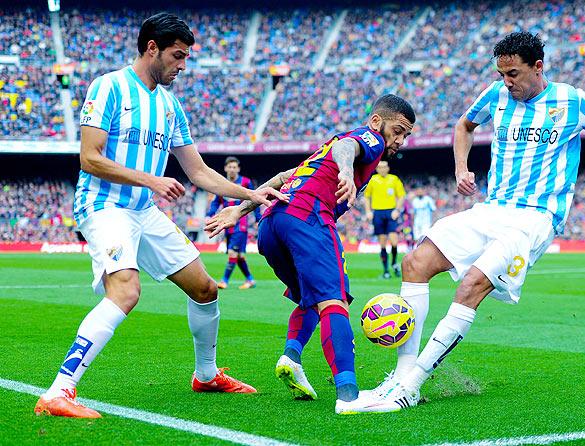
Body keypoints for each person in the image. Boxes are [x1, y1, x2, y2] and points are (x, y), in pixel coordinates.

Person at [367, 31, 585, 409]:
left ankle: (412, 385)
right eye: (501, 73)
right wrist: (461, 167)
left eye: (513, 73)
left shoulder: (572, 101)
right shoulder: (496, 94)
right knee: (415, 263)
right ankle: (398, 378)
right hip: (491, 208)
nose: (506, 82)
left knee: (472, 284)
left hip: (534, 219)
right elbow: (464, 125)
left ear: (538, 66)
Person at [34, 13, 287, 419]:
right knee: (126, 291)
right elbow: (90, 158)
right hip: (103, 205)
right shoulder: (109, 86)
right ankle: (58, 392)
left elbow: (199, 172)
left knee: (205, 288)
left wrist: (250, 194)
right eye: (178, 55)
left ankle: (206, 376)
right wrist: (151, 180)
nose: (183, 64)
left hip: (142, 210)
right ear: (152, 47)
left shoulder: (169, 106)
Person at [205, 94, 416, 414]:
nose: (400, 140)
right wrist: (346, 170)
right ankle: (349, 396)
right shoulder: (367, 139)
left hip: (271, 225)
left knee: (310, 297)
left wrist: (239, 211)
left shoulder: (321, 154)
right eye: (398, 131)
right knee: (335, 300)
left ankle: (291, 357)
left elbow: (279, 179)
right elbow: (348, 149)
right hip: (309, 217)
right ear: (376, 122)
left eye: (406, 135)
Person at [206, 156, 261, 290]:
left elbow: (255, 200)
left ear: (238, 169)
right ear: (225, 168)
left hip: (240, 223)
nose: (232, 169)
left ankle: (224, 281)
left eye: (234, 167)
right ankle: (250, 280)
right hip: (226, 224)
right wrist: (209, 215)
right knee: (240, 256)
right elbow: (216, 202)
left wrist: (258, 218)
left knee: (232, 252)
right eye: (229, 167)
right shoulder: (222, 184)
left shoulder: (246, 182)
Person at [364, 160, 406, 278]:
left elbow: (401, 196)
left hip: (390, 212)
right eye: (380, 167)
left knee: (394, 241)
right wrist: (368, 211)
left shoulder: (394, 179)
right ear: (377, 169)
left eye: (384, 167)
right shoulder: (373, 180)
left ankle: (393, 263)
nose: (382, 169)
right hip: (378, 213)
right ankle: (386, 270)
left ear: (388, 168)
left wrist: (397, 210)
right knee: (382, 243)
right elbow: (367, 197)